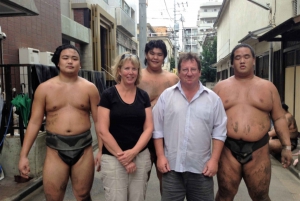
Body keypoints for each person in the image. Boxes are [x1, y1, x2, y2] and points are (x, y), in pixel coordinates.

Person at [18, 44, 101, 200]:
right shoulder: (44, 89)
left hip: (83, 147)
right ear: (58, 62)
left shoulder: (90, 88)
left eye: (74, 58)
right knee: (52, 196)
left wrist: (101, 150)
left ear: (80, 63)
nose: (70, 61)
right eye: (65, 58)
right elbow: (34, 123)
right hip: (55, 149)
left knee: (83, 195)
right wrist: (23, 155)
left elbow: (99, 122)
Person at [214, 44, 293, 201]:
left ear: (254, 60)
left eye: (246, 57)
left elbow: (278, 118)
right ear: (231, 63)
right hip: (228, 149)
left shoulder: (268, 87)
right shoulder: (220, 88)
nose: (242, 61)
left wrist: (286, 147)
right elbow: (209, 120)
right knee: (224, 195)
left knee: (261, 196)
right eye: (237, 58)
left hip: (259, 149)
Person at [152, 52, 227, 201]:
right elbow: (157, 129)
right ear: (179, 72)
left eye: (193, 69)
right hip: (171, 168)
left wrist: (214, 160)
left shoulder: (213, 99)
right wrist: (160, 156)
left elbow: (219, 132)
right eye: (185, 69)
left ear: (199, 72)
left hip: (202, 169)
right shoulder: (167, 96)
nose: (189, 73)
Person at [97, 52, 153, 201]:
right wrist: (124, 158)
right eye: (127, 68)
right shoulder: (108, 95)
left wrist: (134, 152)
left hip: (140, 156)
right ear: (119, 71)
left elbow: (148, 128)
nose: (130, 72)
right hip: (113, 158)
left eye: (134, 69)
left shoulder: (143, 96)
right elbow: (103, 130)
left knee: (138, 198)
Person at [138, 39, 179, 193]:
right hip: (141, 135)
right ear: (146, 55)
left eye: (159, 54)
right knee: (140, 179)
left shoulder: (173, 79)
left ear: (164, 57)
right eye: (152, 53)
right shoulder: (137, 77)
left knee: (167, 180)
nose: (155, 57)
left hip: (167, 135)